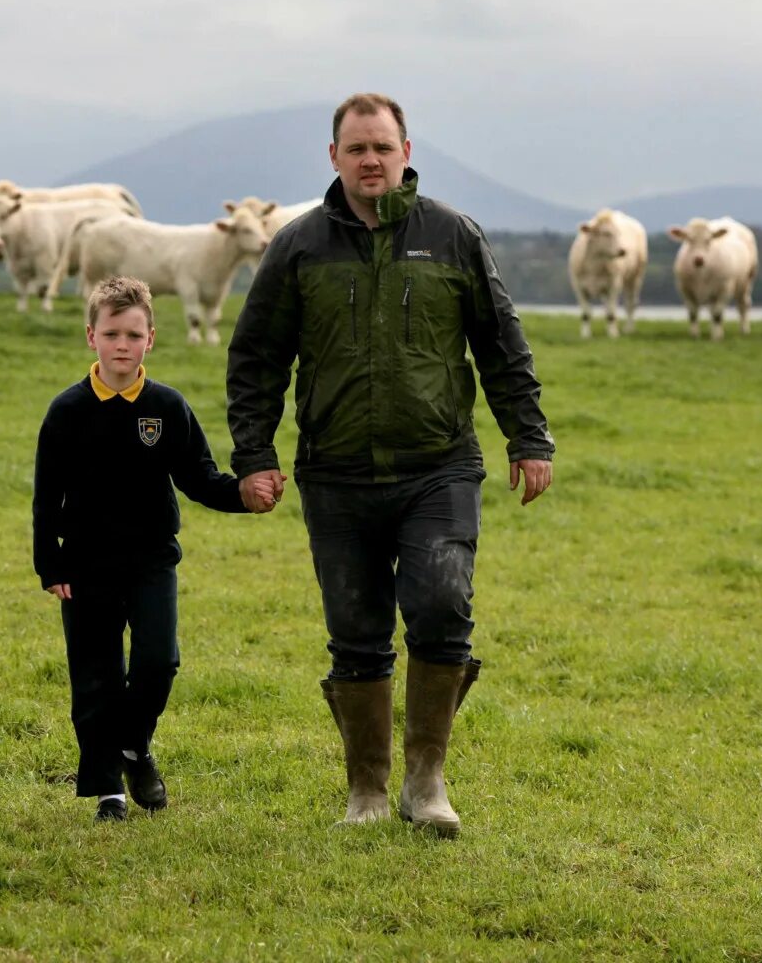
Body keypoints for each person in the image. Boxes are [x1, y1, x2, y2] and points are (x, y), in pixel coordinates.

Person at [225, 92, 554, 838]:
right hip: (335, 471)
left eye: (382, 147)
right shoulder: (299, 245)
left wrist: (528, 437)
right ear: (334, 158)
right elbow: (256, 358)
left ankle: (426, 781)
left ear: (406, 153)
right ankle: (367, 792)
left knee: (442, 604)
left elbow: (502, 344)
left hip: (437, 465)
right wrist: (254, 455)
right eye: (356, 148)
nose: (370, 160)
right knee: (356, 629)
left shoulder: (453, 237)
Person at [34, 276, 280, 821]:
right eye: (111, 333)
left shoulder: (167, 406)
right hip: (84, 564)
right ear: (91, 337)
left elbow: (200, 479)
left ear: (151, 340)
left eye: (134, 334)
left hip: (151, 560)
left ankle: (134, 748)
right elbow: (46, 497)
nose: (122, 344)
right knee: (95, 676)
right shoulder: (67, 410)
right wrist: (48, 563)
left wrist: (245, 493)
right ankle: (109, 793)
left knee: (158, 662)